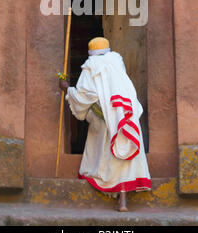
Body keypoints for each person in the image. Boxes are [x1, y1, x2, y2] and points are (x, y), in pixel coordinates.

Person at [59, 36, 151, 212]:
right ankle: (122, 200)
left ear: (90, 53)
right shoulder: (117, 63)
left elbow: (84, 96)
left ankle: (115, 193)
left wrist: (66, 89)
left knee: (108, 154)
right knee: (125, 156)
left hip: (105, 119)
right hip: (125, 115)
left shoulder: (91, 66)